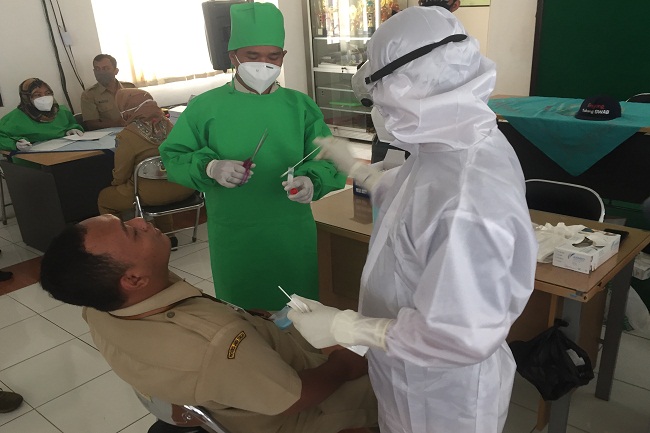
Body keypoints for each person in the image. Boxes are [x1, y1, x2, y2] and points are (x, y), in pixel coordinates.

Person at [287, 7, 538, 433]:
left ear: (409, 87)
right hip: (407, 372)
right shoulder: (454, 141)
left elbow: (460, 335)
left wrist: (348, 326)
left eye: (377, 96)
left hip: (443, 396)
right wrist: (361, 173)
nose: (377, 109)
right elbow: (417, 204)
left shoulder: (470, 198)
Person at [39, 214, 378, 433]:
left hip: (242, 382)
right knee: (393, 375)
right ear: (135, 280)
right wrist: (344, 363)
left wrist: (248, 319)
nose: (141, 220)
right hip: (300, 413)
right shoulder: (216, 341)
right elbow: (294, 398)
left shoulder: (99, 309)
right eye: (132, 233)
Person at [159, 3, 346, 311]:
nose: (264, 64)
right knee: (244, 315)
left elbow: (329, 157)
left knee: (298, 313)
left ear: (283, 56)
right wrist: (211, 167)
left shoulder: (300, 106)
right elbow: (174, 157)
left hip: (290, 230)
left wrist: (313, 181)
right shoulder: (205, 107)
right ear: (233, 56)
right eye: (252, 55)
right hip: (235, 231)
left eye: (273, 56)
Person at [97, 88, 194, 244]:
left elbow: (121, 174)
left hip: (149, 195)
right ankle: (169, 236)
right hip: (184, 187)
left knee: (105, 198)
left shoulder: (127, 136)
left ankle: (122, 242)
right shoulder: (170, 125)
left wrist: (116, 185)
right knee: (160, 182)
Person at [370, 0, 460, 163]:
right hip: (433, 137)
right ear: (456, 5)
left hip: (390, 126)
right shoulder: (458, 35)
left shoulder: (395, 26)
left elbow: (367, 78)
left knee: (385, 175)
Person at [0, 78, 84, 152]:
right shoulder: (14, 118)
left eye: (48, 93)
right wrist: (15, 144)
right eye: (37, 95)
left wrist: (72, 129)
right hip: (32, 159)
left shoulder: (61, 111)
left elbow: (72, 124)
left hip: (66, 153)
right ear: (26, 98)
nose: (44, 98)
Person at [81, 54, 136, 130]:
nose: (101, 72)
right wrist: (117, 124)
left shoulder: (130, 88)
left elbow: (143, 111)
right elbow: (91, 125)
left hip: (136, 130)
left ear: (116, 71)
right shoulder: (89, 94)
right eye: (97, 69)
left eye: (106, 68)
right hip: (109, 134)